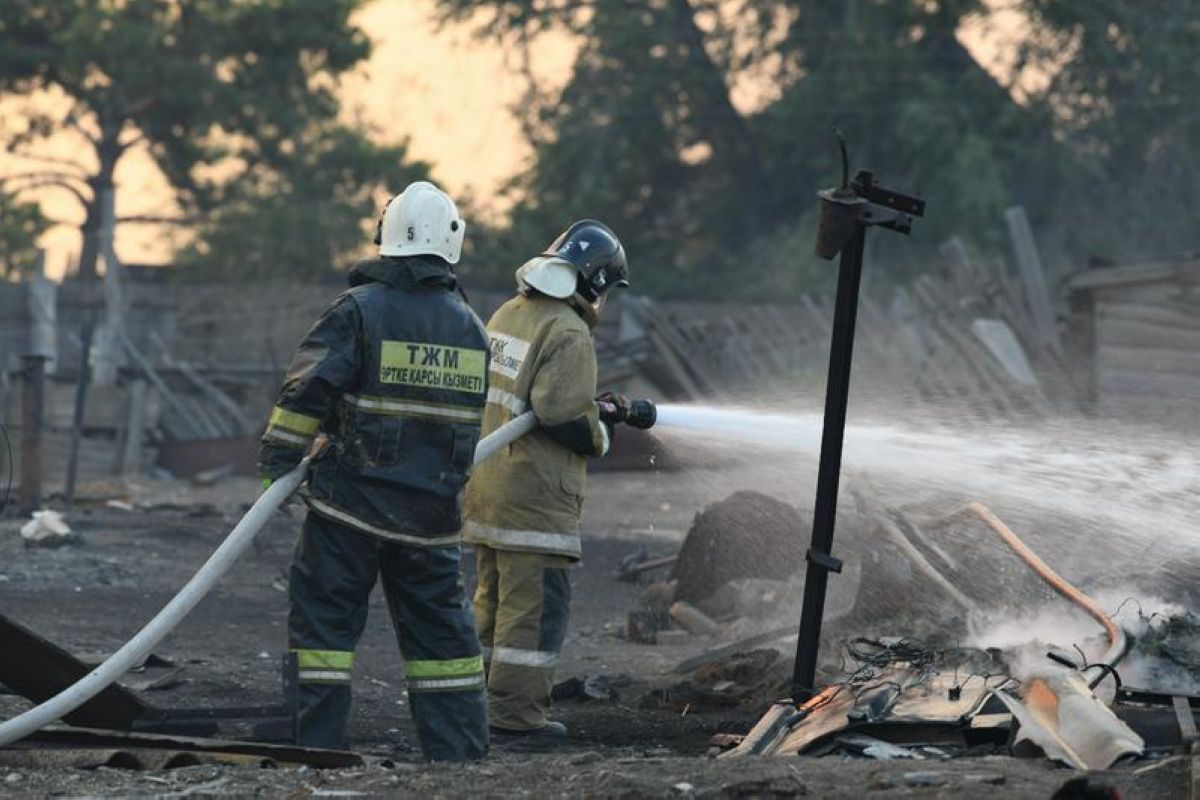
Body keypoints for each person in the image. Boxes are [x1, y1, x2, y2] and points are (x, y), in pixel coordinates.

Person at [258, 181, 490, 760]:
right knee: (445, 647)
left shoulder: (358, 311)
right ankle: (459, 756)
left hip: (348, 512)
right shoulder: (471, 327)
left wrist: (278, 465)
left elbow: (306, 391)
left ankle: (315, 748)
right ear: (451, 244)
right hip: (432, 521)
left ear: (387, 240)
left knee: (323, 636)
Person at [463, 220, 655, 739]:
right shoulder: (568, 331)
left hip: (488, 491)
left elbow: (524, 395)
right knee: (533, 616)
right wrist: (602, 432)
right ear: (595, 282)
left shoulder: (509, 313)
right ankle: (515, 721)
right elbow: (562, 413)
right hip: (535, 501)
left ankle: (469, 709)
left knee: (491, 607)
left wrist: (597, 409)